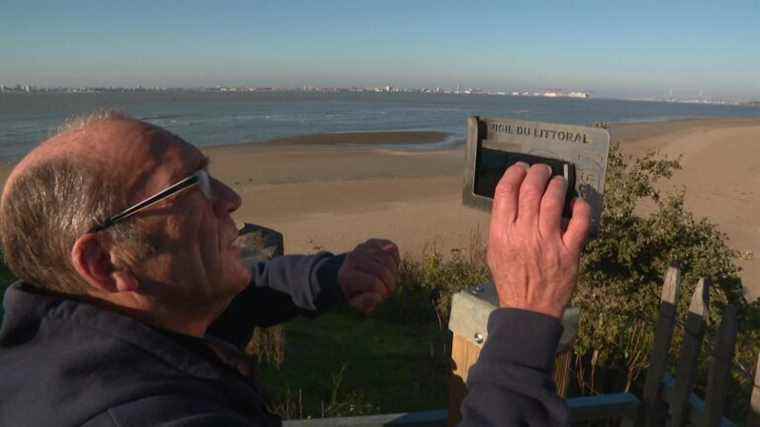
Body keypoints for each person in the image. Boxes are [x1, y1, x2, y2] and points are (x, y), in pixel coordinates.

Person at [0, 112, 590, 426]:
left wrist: (332, 277)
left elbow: (242, 293)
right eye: (191, 187)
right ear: (105, 262)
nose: (230, 197)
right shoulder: (147, 419)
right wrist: (527, 319)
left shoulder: (75, 330)